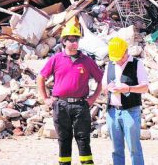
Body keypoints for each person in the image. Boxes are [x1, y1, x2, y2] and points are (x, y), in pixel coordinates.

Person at [37, 18, 103, 165]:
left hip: (80, 106)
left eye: (76, 40)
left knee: (83, 139)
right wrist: (46, 98)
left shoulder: (86, 61)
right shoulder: (56, 59)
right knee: (64, 140)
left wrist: (93, 98)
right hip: (60, 105)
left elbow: (100, 80)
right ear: (64, 41)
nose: (75, 43)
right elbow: (41, 77)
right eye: (71, 40)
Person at [103, 37, 148, 165]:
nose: (117, 61)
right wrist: (107, 88)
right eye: (115, 58)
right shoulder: (110, 65)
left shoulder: (137, 64)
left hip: (131, 112)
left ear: (126, 51)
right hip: (112, 112)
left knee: (134, 149)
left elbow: (145, 87)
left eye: (119, 58)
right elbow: (103, 87)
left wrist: (128, 88)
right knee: (116, 149)